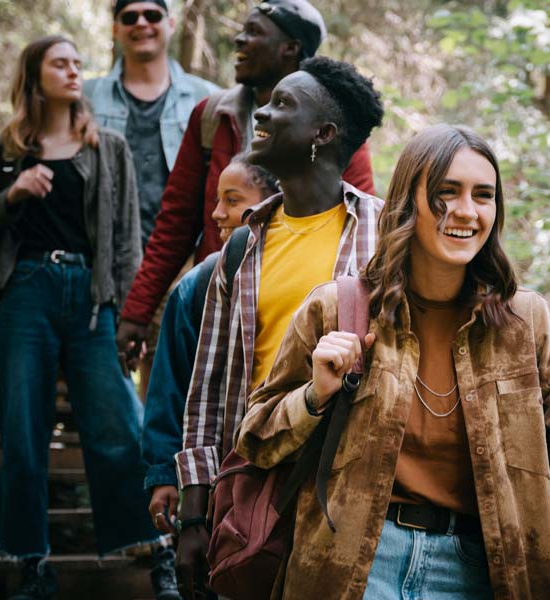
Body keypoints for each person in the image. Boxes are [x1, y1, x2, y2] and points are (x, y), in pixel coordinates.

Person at [234, 124, 550, 599]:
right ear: (408, 202)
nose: (466, 211)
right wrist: (314, 396)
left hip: (487, 570)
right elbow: (256, 441)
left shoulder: (530, 326)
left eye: (483, 195)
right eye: (446, 192)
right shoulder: (338, 308)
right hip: (354, 564)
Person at [0, 36, 158, 600]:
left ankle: (150, 547)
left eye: (76, 62)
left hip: (91, 298)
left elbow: (126, 240)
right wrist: (13, 193)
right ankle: (29, 562)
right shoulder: (4, 151)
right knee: (24, 428)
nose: (73, 71)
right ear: (34, 75)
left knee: (119, 424)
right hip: (25, 295)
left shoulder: (106, 147)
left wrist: (130, 314)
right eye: (59, 63)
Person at [173, 56, 385, 599]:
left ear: (324, 133)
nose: (262, 111)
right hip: (257, 482)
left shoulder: (385, 233)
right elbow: (210, 388)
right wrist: (194, 515)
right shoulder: (243, 245)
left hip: (349, 487)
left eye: (283, 104)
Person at [115, 0, 378, 372]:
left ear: (289, 48)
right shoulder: (212, 116)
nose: (240, 39)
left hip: (304, 318)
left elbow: (356, 227)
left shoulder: (340, 131)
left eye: (254, 32)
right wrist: (138, 312)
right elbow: (175, 221)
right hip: (219, 304)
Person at [139, 154, 280, 595]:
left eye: (232, 200)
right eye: (217, 200)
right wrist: (164, 475)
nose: (217, 213)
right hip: (217, 486)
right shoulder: (197, 286)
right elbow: (170, 388)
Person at [84, 0, 218, 404]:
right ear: (115, 29)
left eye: (152, 15)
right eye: (129, 17)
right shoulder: (87, 98)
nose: (141, 24)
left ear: (170, 24)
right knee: (108, 383)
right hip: (107, 261)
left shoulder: (208, 98)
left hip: (176, 264)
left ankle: (160, 465)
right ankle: (124, 465)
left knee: (171, 379)